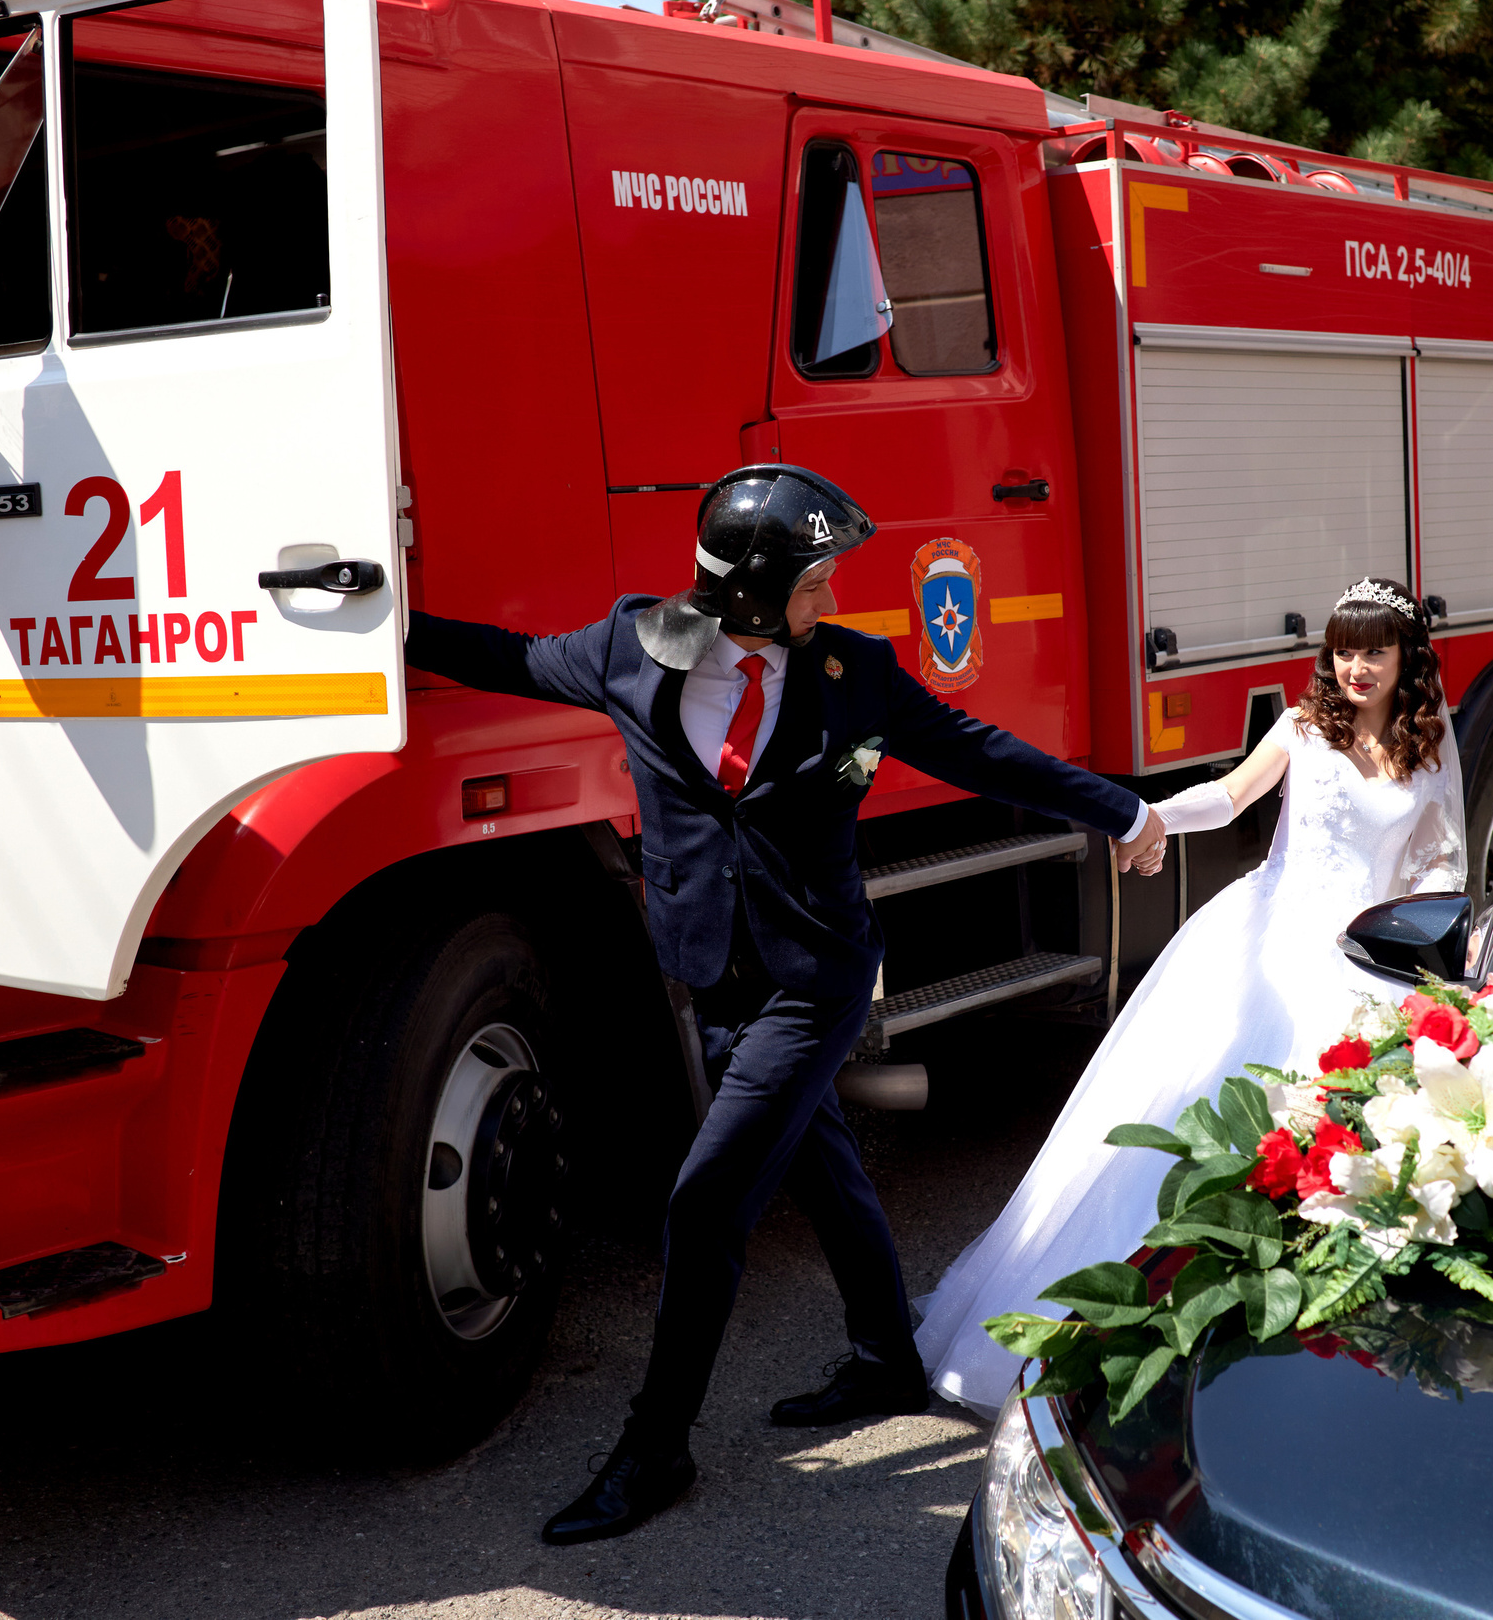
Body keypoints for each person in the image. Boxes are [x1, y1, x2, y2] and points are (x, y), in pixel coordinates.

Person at [403, 465, 1169, 1545]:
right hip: (710, 973)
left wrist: (1120, 809)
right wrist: (375, 629)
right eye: (818, 578)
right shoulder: (633, 647)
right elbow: (505, 658)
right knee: (820, 1156)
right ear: (754, 587)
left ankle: (655, 1447)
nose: (833, 596)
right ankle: (886, 1362)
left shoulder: (855, 672)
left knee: (705, 1202)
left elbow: (975, 751)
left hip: (815, 980)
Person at [915, 576, 1466, 1412]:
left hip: (1368, 962)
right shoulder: (1303, 728)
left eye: (1374, 649)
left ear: (1405, 658)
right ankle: (1122, 1335)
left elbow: (1444, 862)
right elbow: (1232, 796)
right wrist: (1150, 817)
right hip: (1266, 949)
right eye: (1344, 649)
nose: (1356, 665)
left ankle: (1289, 1350)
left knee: (1326, 1159)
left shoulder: (1429, 747)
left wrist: (1431, 936)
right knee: (1184, 1134)